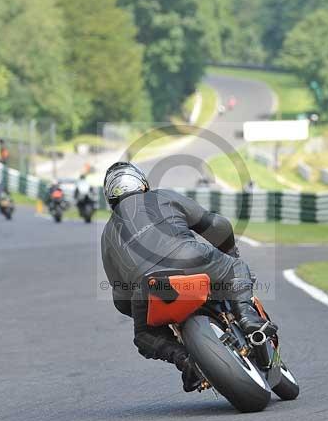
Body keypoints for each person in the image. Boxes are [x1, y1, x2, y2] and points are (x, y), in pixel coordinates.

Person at [100, 162, 276, 392]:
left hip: (149, 287)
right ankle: (249, 320)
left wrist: (139, 307)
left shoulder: (106, 235)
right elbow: (216, 224)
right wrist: (229, 252)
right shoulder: (161, 197)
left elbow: (120, 298)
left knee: (144, 335)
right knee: (236, 268)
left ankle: (185, 361)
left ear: (110, 198)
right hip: (191, 259)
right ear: (142, 183)